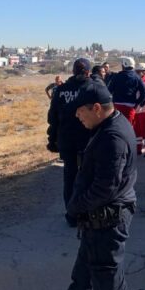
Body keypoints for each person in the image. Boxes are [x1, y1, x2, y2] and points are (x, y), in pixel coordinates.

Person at [64, 81, 137, 290]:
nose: (78, 116)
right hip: (96, 222)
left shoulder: (112, 138)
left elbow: (106, 188)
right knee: (82, 278)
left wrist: (76, 206)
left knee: (107, 286)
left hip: (106, 222)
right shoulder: (108, 126)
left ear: (96, 108)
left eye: (80, 111)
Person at [47, 58, 93, 227]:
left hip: (67, 140)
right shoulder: (91, 89)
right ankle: (87, 213)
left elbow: (52, 118)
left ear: (73, 71)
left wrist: (52, 140)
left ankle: (72, 215)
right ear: (87, 72)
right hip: (88, 140)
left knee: (70, 177)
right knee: (89, 176)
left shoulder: (61, 90)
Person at [107, 57, 145, 129]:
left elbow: (109, 91)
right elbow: (144, 92)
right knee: (127, 129)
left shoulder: (116, 76)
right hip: (130, 108)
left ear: (123, 66)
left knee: (117, 128)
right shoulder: (137, 77)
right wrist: (138, 103)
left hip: (116, 107)